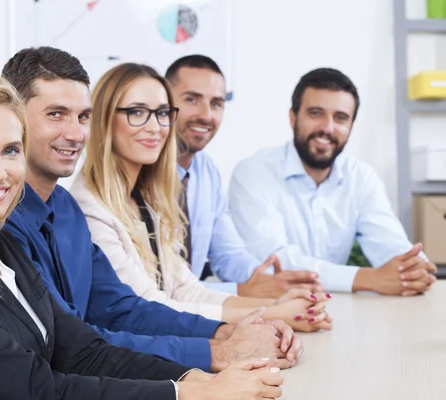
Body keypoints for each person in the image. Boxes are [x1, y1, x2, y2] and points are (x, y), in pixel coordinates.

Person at [0, 71, 286, 400]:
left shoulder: (2, 248)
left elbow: (85, 353)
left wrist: (197, 378)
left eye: (9, 150)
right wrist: (185, 394)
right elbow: (36, 388)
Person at [2, 46, 300, 373]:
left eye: (82, 116)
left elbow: (123, 309)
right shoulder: (2, 223)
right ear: (11, 119)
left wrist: (225, 332)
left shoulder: (67, 210)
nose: (75, 134)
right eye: (56, 114)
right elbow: (70, 346)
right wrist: (217, 352)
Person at [69, 62, 332, 337]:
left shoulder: (145, 198)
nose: (155, 127)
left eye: (161, 113)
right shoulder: (89, 208)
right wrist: (274, 314)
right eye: (136, 112)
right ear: (104, 119)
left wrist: (275, 304)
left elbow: (184, 288)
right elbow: (150, 307)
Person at [228, 67, 438, 295]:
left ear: (350, 127)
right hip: (264, 312)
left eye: (340, 118)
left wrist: (413, 268)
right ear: (293, 117)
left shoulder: (361, 177)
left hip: (335, 308)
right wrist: (367, 278)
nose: (327, 128)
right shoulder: (254, 173)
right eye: (315, 113)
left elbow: (388, 241)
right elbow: (275, 263)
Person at [164, 55, 323, 299]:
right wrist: (244, 290)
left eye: (216, 103)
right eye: (192, 99)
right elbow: (158, 288)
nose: (206, 115)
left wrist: (264, 279)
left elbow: (227, 254)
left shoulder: (207, 171)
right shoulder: (140, 172)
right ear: (163, 102)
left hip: (194, 311)